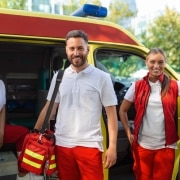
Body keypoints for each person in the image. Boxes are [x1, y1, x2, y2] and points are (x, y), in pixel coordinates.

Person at [34, 30, 118, 180]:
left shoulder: (102, 78)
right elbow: (49, 109)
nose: (76, 53)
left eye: (80, 48)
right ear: (66, 50)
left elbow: (111, 115)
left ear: (88, 49)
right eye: (72, 48)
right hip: (62, 145)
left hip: (90, 146)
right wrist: (34, 135)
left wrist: (112, 147)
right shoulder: (59, 77)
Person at [119, 47, 180, 180]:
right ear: (146, 62)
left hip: (166, 147)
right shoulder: (137, 86)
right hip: (142, 145)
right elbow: (122, 110)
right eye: (152, 62)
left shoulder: (175, 86)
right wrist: (129, 133)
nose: (156, 66)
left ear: (165, 63)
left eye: (160, 62)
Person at [0, 80, 29, 172]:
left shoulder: (1, 84)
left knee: (23, 133)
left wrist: (1, 133)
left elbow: (2, 109)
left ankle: (22, 170)